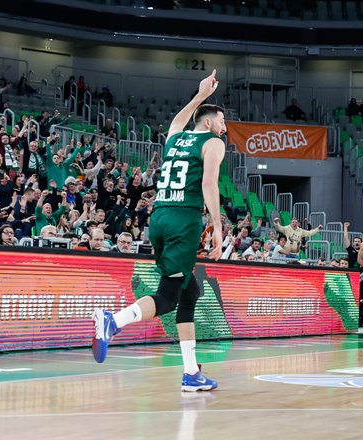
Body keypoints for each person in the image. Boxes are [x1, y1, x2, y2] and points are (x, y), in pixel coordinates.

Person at [91, 70, 225, 392]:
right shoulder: (213, 143)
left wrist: (199, 96)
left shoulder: (176, 137)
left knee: (190, 292)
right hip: (183, 221)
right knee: (167, 297)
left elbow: (180, 120)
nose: (224, 128)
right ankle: (113, 321)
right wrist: (218, 228)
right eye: (221, 122)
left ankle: (191, 372)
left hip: (159, 219)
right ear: (208, 124)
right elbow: (208, 184)